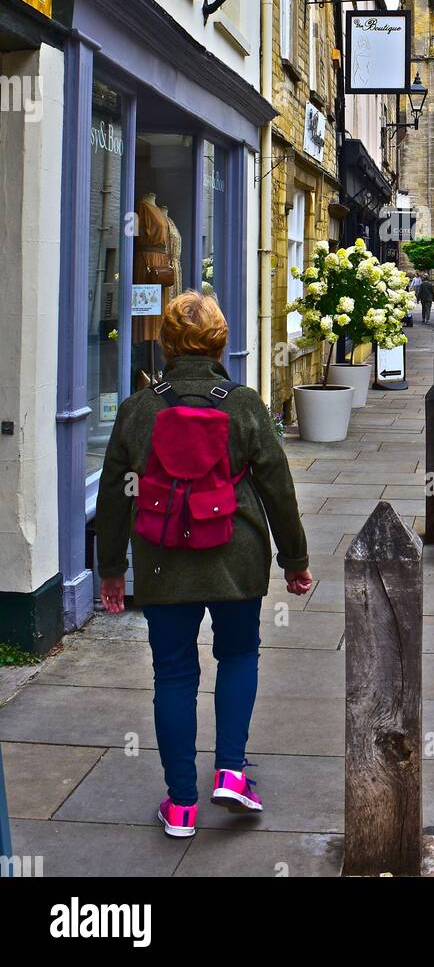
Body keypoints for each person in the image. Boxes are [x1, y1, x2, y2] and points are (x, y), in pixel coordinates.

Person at [95, 291, 312, 839]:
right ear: (219, 341)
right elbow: (277, 487)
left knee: (173, 674)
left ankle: (182, 806)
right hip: (235, 556)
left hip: (164, 558)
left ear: (165, 343)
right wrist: (294, 559)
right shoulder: (242, 403)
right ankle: (232, 774)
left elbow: (114, 496)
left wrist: (113, 569)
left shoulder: (137, 409)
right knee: (238, 655)